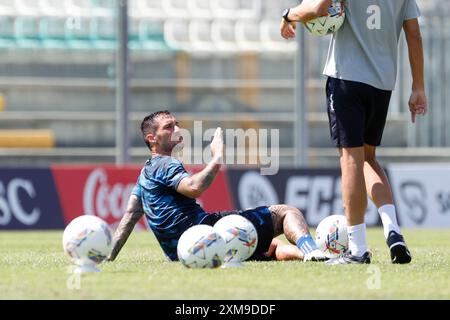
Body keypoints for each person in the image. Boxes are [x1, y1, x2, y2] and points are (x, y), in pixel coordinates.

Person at [280, 0, 427, 264]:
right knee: (368, 158)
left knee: (351, 161)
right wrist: (418, 86)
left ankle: (358, 249)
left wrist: (289, 15)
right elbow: (414, 33)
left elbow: (318, 8)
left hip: (347, 78)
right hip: (382, 83)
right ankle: (393, 230)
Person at [107, 110, 327, 263]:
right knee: (285, 213)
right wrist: (217, 156)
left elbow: (130, 216)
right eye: (169, 126)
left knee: (272, 247)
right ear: (152, 139)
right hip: (206, 234)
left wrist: (109, 256)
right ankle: (312, 249)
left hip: (182, 252)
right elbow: (194, 187)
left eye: (177, 124)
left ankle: (317, 256)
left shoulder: (145, 172)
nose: (177, 128)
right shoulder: (166, 163)